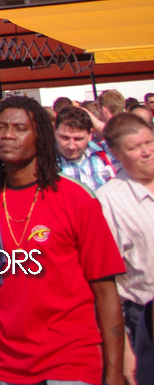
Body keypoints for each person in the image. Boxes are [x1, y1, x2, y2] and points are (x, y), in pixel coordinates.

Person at [0, 95, 125, 385]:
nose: (8, 135)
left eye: (20, 128)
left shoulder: (75, 198)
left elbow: (106, 292)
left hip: (73, 361)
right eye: (0, 127)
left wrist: (115, 373)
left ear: (41, 138)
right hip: (12, 365)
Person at [98, 113, 154, 385]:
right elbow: (104, 280)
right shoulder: (109, 201)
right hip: (145, 320)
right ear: (117, 154)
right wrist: (124, 349)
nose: (147, 152)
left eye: (150, 143)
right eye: (135, 147)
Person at [56, 104, 118, 193]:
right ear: (54, 132)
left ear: (90, 135)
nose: (71, 146)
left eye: (78, 139)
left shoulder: (105, 152)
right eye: (65, 138)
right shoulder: (44, 162)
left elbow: (132, 141)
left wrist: (100, 127)